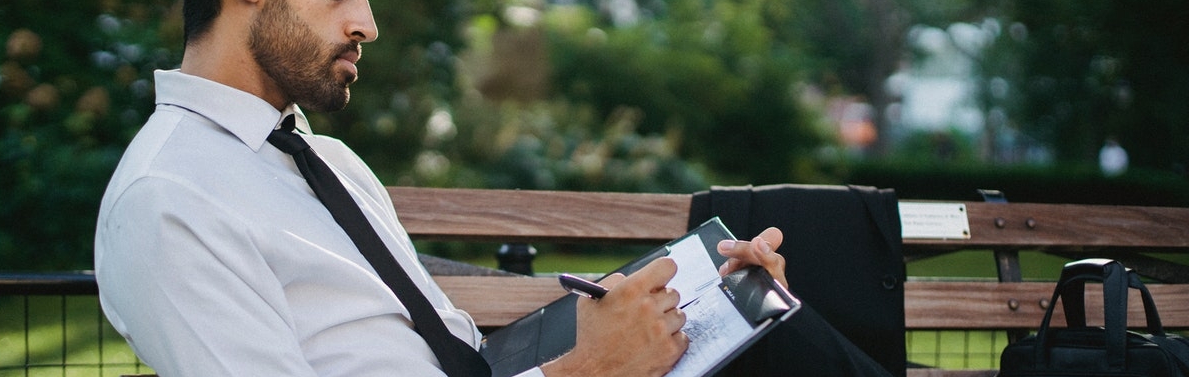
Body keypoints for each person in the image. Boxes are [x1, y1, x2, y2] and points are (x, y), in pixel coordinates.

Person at [92, 0, 791, 376]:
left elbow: (457, 353)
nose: (367, 23)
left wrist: (683, 307)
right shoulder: (167, 201)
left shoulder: (326, 160)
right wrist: (585, 372)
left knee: (784, 330)